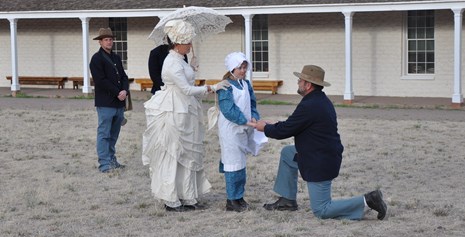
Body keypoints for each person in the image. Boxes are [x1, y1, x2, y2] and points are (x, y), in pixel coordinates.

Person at [251, 65, 387, 220]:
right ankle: (287, 201)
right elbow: (294, 124)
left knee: (321, 209)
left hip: (320, 161)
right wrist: (272, 125)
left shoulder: (310, 105)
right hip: (320, 153)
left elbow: (286, 130)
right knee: (288, 153)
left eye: (300, 81)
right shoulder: (318, 100)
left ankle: (368, 201)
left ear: (308, 85)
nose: (298, 83)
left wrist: (265, 128)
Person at [142, 20, 216, 212]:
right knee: (174, 152)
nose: (190, 45)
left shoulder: (180, 60)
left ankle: (188, 194)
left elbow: (186, 80)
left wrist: (192, 67)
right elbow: (185, 88)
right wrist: (210, 88)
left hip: (186, 109)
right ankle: (171, 198)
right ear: (177, 43)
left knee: (189, 153)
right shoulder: (171, 62)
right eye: (188, 42)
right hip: (174, 108)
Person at [216, 52, 260, 212]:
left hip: (245, 128)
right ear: (232, 68)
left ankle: (239, 196)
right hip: (231, 130)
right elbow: (229, 110)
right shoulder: (225, 86)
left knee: (241, 163)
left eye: (244, 67)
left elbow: (252, 104)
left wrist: (254, 117)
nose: (243, 70)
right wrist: (245, 120)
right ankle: (232, 200)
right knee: (233, 163)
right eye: (240, 67)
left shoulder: (246, 84)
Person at [89, 28, 130, 173]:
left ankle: (112, 160)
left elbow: (124, 77)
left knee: (113, 135)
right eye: (106, 39)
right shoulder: (96, 59)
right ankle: (104, 164)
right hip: (106, 102)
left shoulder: (116, 58)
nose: (109, 42)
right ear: (100, 42)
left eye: (111, 39)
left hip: (119, 103)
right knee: (104, 134)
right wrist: (117, 92)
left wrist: (125, 90)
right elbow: (100, 81)